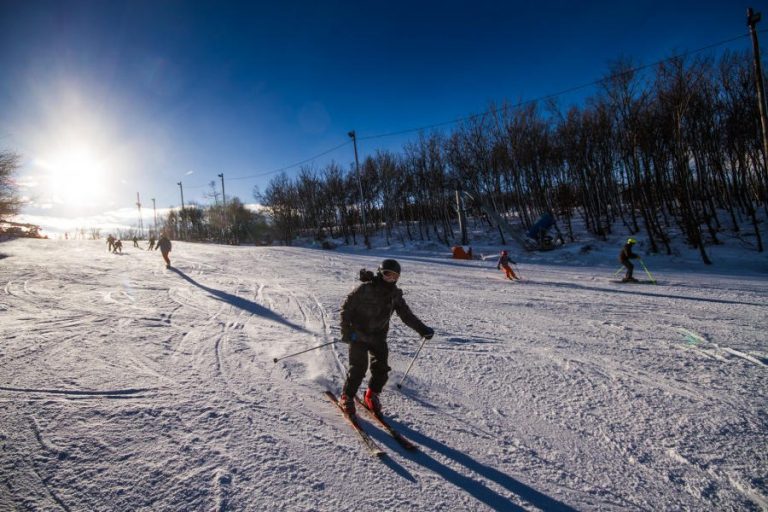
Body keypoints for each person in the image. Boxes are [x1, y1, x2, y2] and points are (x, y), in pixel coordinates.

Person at [338, 259, 434, 416]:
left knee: (381, 369)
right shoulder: (365, 289)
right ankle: (346, 397)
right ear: (380, 273)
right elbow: (346, 309)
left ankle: (371, 395)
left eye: (394, 277)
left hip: (378, 336)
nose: (390, 279)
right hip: (358, 335)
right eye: (387, 275)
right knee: (358, 368)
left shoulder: (394, 295)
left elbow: (406, 315)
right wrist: (346, 331)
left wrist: (422, 330)